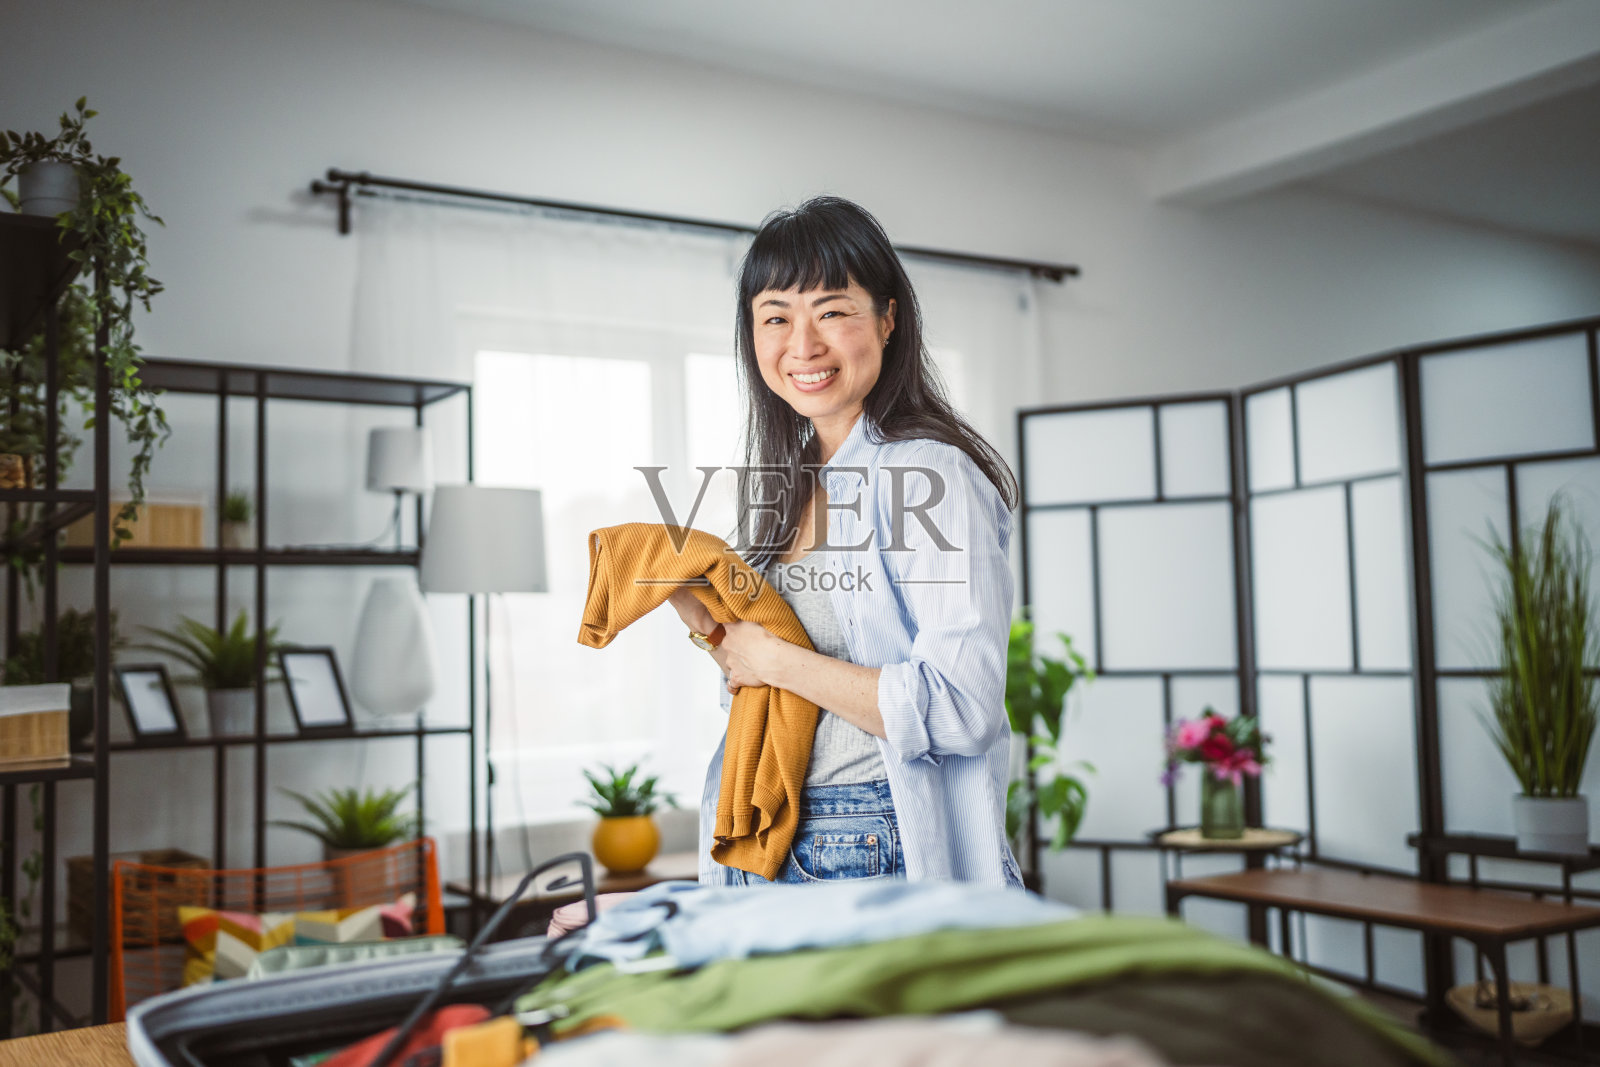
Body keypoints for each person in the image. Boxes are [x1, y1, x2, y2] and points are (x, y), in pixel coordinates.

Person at [667, 195, 1021, 887]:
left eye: (832, 310)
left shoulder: (929, 473)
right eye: (776, 317)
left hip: (869, 836)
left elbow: (964, 707)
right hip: (771, 827)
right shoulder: (791, 481)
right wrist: (714, 631)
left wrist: (774, 658)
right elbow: (783, 686)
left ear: (888, 319)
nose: (803, 345)